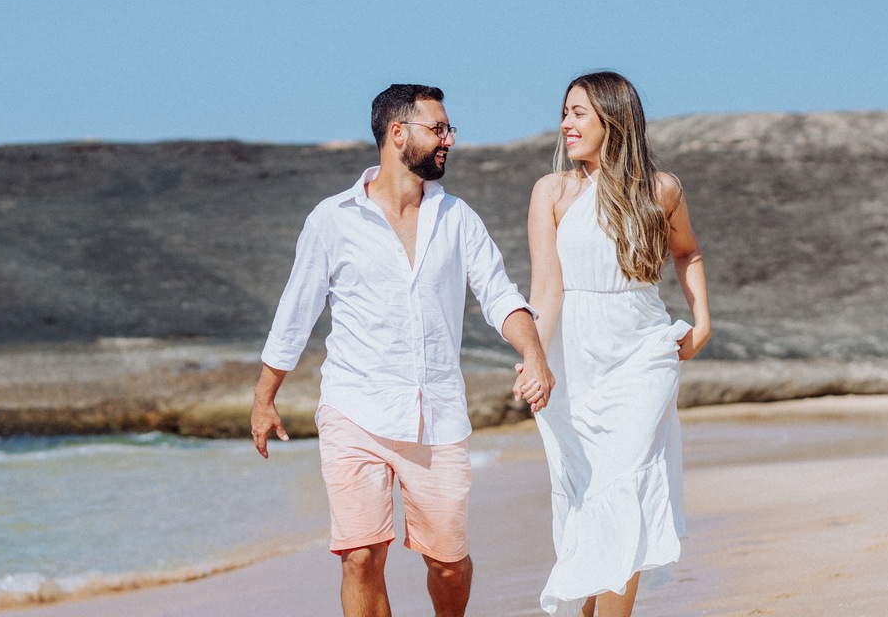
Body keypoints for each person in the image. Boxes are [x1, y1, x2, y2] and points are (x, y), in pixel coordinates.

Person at [251, 84, 554, 617]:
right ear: (398, 133)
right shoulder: (332, 219)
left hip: (436, 416)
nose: (449, 140)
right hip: (354, 408)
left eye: (448, 129)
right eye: (438, 129)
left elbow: (500, 295)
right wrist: (264, 398)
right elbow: (295, 313)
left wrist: (533, 353)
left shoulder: (457, 218)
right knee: (360, 556)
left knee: (448, 564)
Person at [526, 71, 711, 616]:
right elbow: (545, 286)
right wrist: (535, 358)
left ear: (613, 117)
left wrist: (701, 321)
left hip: (643, 351)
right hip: (575, 357)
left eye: (579, 112)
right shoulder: (551, 192)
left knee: (626, 484)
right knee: (589, 490)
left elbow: (688, 253)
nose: (566, 123)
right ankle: (592, 606)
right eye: (564, 112)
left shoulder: (662, 189)